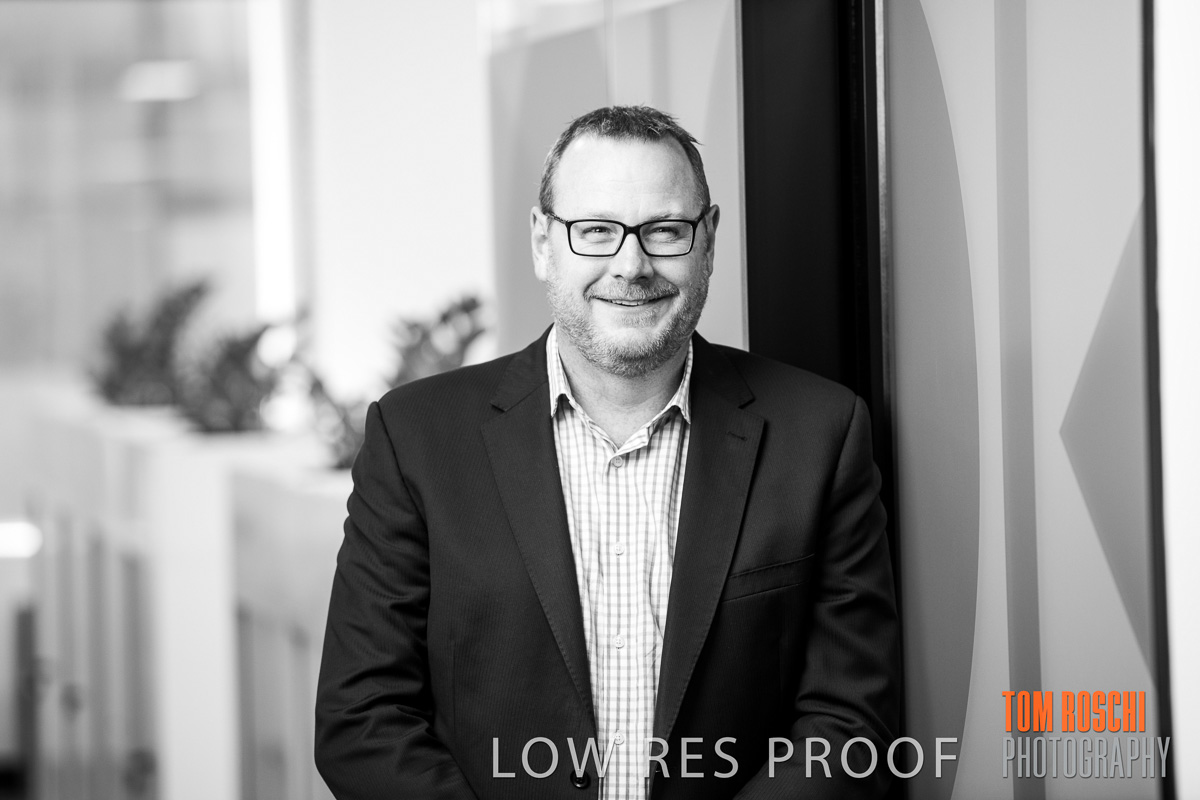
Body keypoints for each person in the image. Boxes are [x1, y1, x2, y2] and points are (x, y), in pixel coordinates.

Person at [315, 105, 900, 800]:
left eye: (665, 230)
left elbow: (850, 723)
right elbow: (362, 719)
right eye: (595, 230)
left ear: (709, 240)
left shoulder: (820, 434)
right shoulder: (415, 437)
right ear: (543, 242)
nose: (631, 265)